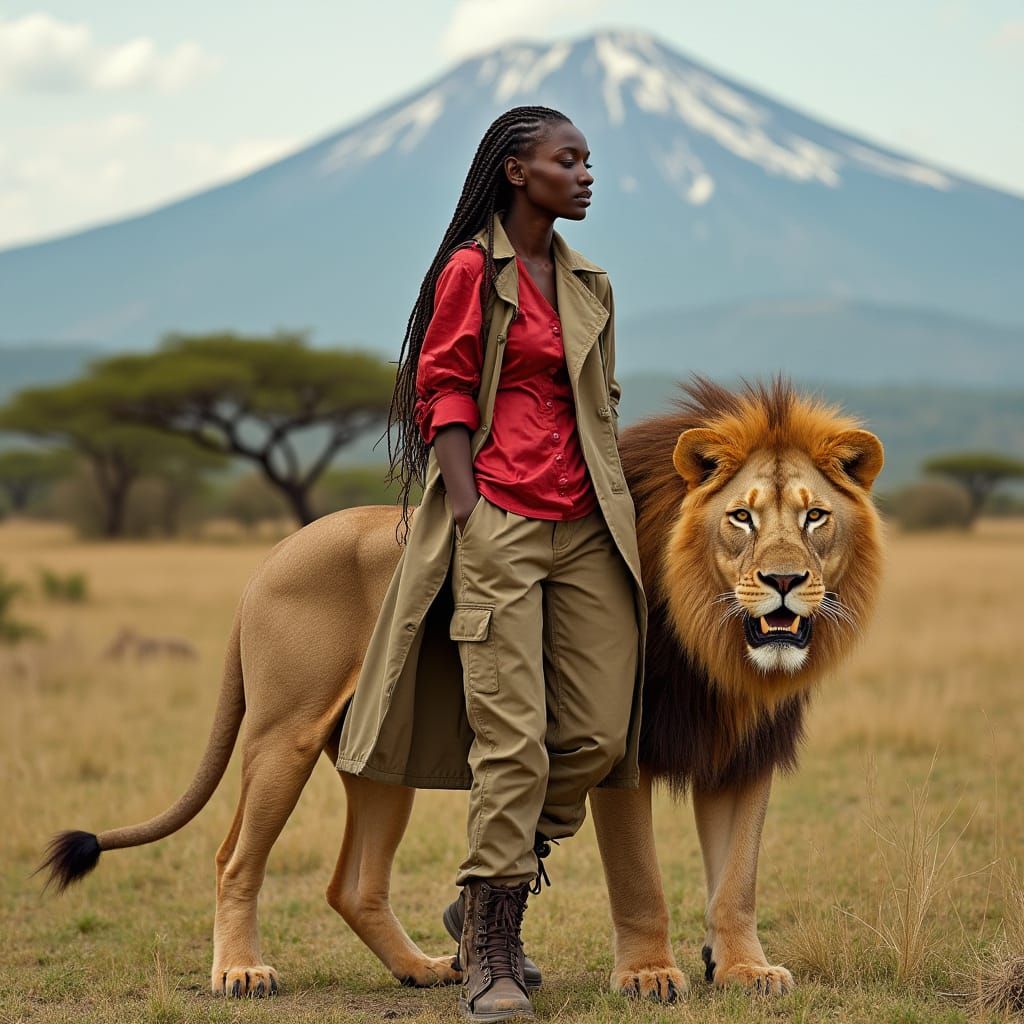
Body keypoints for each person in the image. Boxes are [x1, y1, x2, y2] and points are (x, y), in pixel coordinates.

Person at [336, 105, 647, 1023]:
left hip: (588, 524)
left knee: (598, 732)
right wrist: (468, 503)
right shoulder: (472, 269)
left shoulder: (591, 279)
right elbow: (442, 386)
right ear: (517, 170)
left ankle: (485, 893)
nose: (587, 174)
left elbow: (604, 399)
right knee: (509, 736)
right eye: (568, 159)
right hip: (500, 516)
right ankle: (495, 948)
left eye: (589, 160)